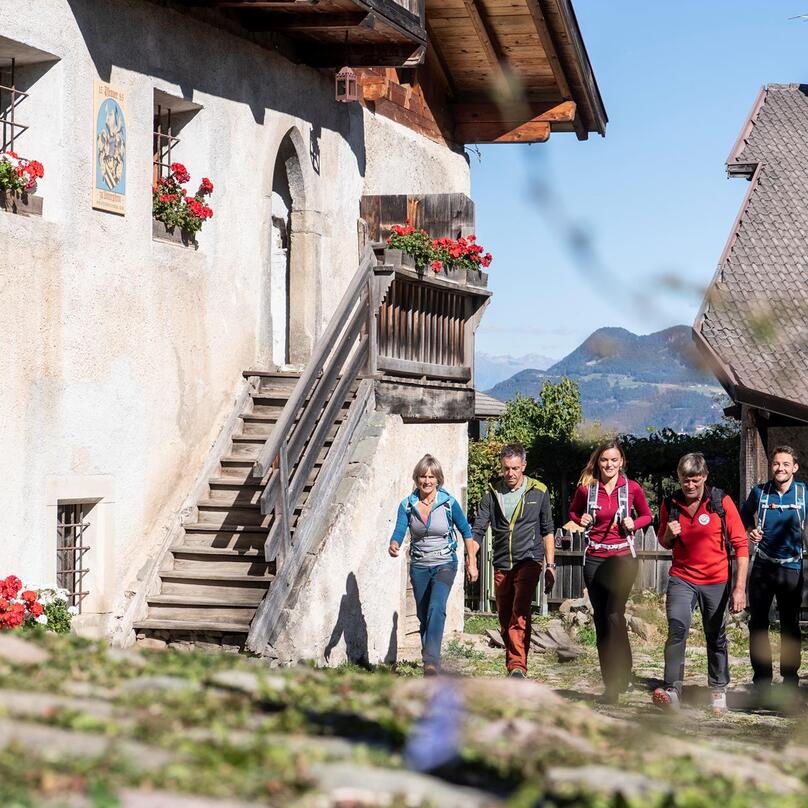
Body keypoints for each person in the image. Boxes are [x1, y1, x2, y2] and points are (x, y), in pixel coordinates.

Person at [653, 452, 749, 715]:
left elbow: (741, 546)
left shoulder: (721, 502)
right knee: (677, 629)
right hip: (682, 578)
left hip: (716, 580)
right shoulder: (670, 504)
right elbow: (663, 541)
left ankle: (718, 690)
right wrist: (668, 535)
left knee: (716, 635)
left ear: (705, 477)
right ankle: (672, 690)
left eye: (695, 480)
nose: (690, 485)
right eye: (685, 480)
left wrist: (739, 588)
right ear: (679, 478)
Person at [568, 439, 652, 703]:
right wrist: (580, 519)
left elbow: (647, 516)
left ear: (621, 462)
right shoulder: (587, 490)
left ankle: (623, 669)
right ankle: (611, 686)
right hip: (594, 557)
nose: (609, 465)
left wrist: (633, 522)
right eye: (604, 460)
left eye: (614, 460)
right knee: (602, 621)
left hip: (622, 558)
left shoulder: (632, 489)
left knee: (615, 615)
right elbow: (573, 512)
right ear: (598, 462)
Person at [468, 443, 554, 678]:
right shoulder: (492, 493)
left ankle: (517, 667)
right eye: (506, 468)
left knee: (520, 610)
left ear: (524, 466)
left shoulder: (539, 491)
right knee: (506, 617)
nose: (511, 473)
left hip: (530, 560)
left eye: (515, 468)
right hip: (502, 562)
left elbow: (547, 530)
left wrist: (550, 565)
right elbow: (478, 530)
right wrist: (471, 557)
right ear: (501, 467)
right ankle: (516, 662)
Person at [389, 454, 474, 675]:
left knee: (437, 607)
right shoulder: (407, 505)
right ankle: (430, 658)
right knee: (423, 613)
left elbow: (466, 531)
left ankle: (431, 661)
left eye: (431, 476)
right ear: (416, 478)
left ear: (438, 479)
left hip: (445, 562)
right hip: (419, 565)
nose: (426, 481)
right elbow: (400, 529)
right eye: (422, 476)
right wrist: (394, 542)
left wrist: (471, 562)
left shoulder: (449, 503)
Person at [740, 445, 806, 700]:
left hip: (791, 568)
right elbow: (744, 515)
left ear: (795, 467)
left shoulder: (804, 494)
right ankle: (762, 683)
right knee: (758, 625)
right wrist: (751, 530)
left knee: (790, 628)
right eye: (777, 464)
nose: (780, 468)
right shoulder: (760, 492)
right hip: (763, 568)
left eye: (786, 464)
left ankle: (790, 683)